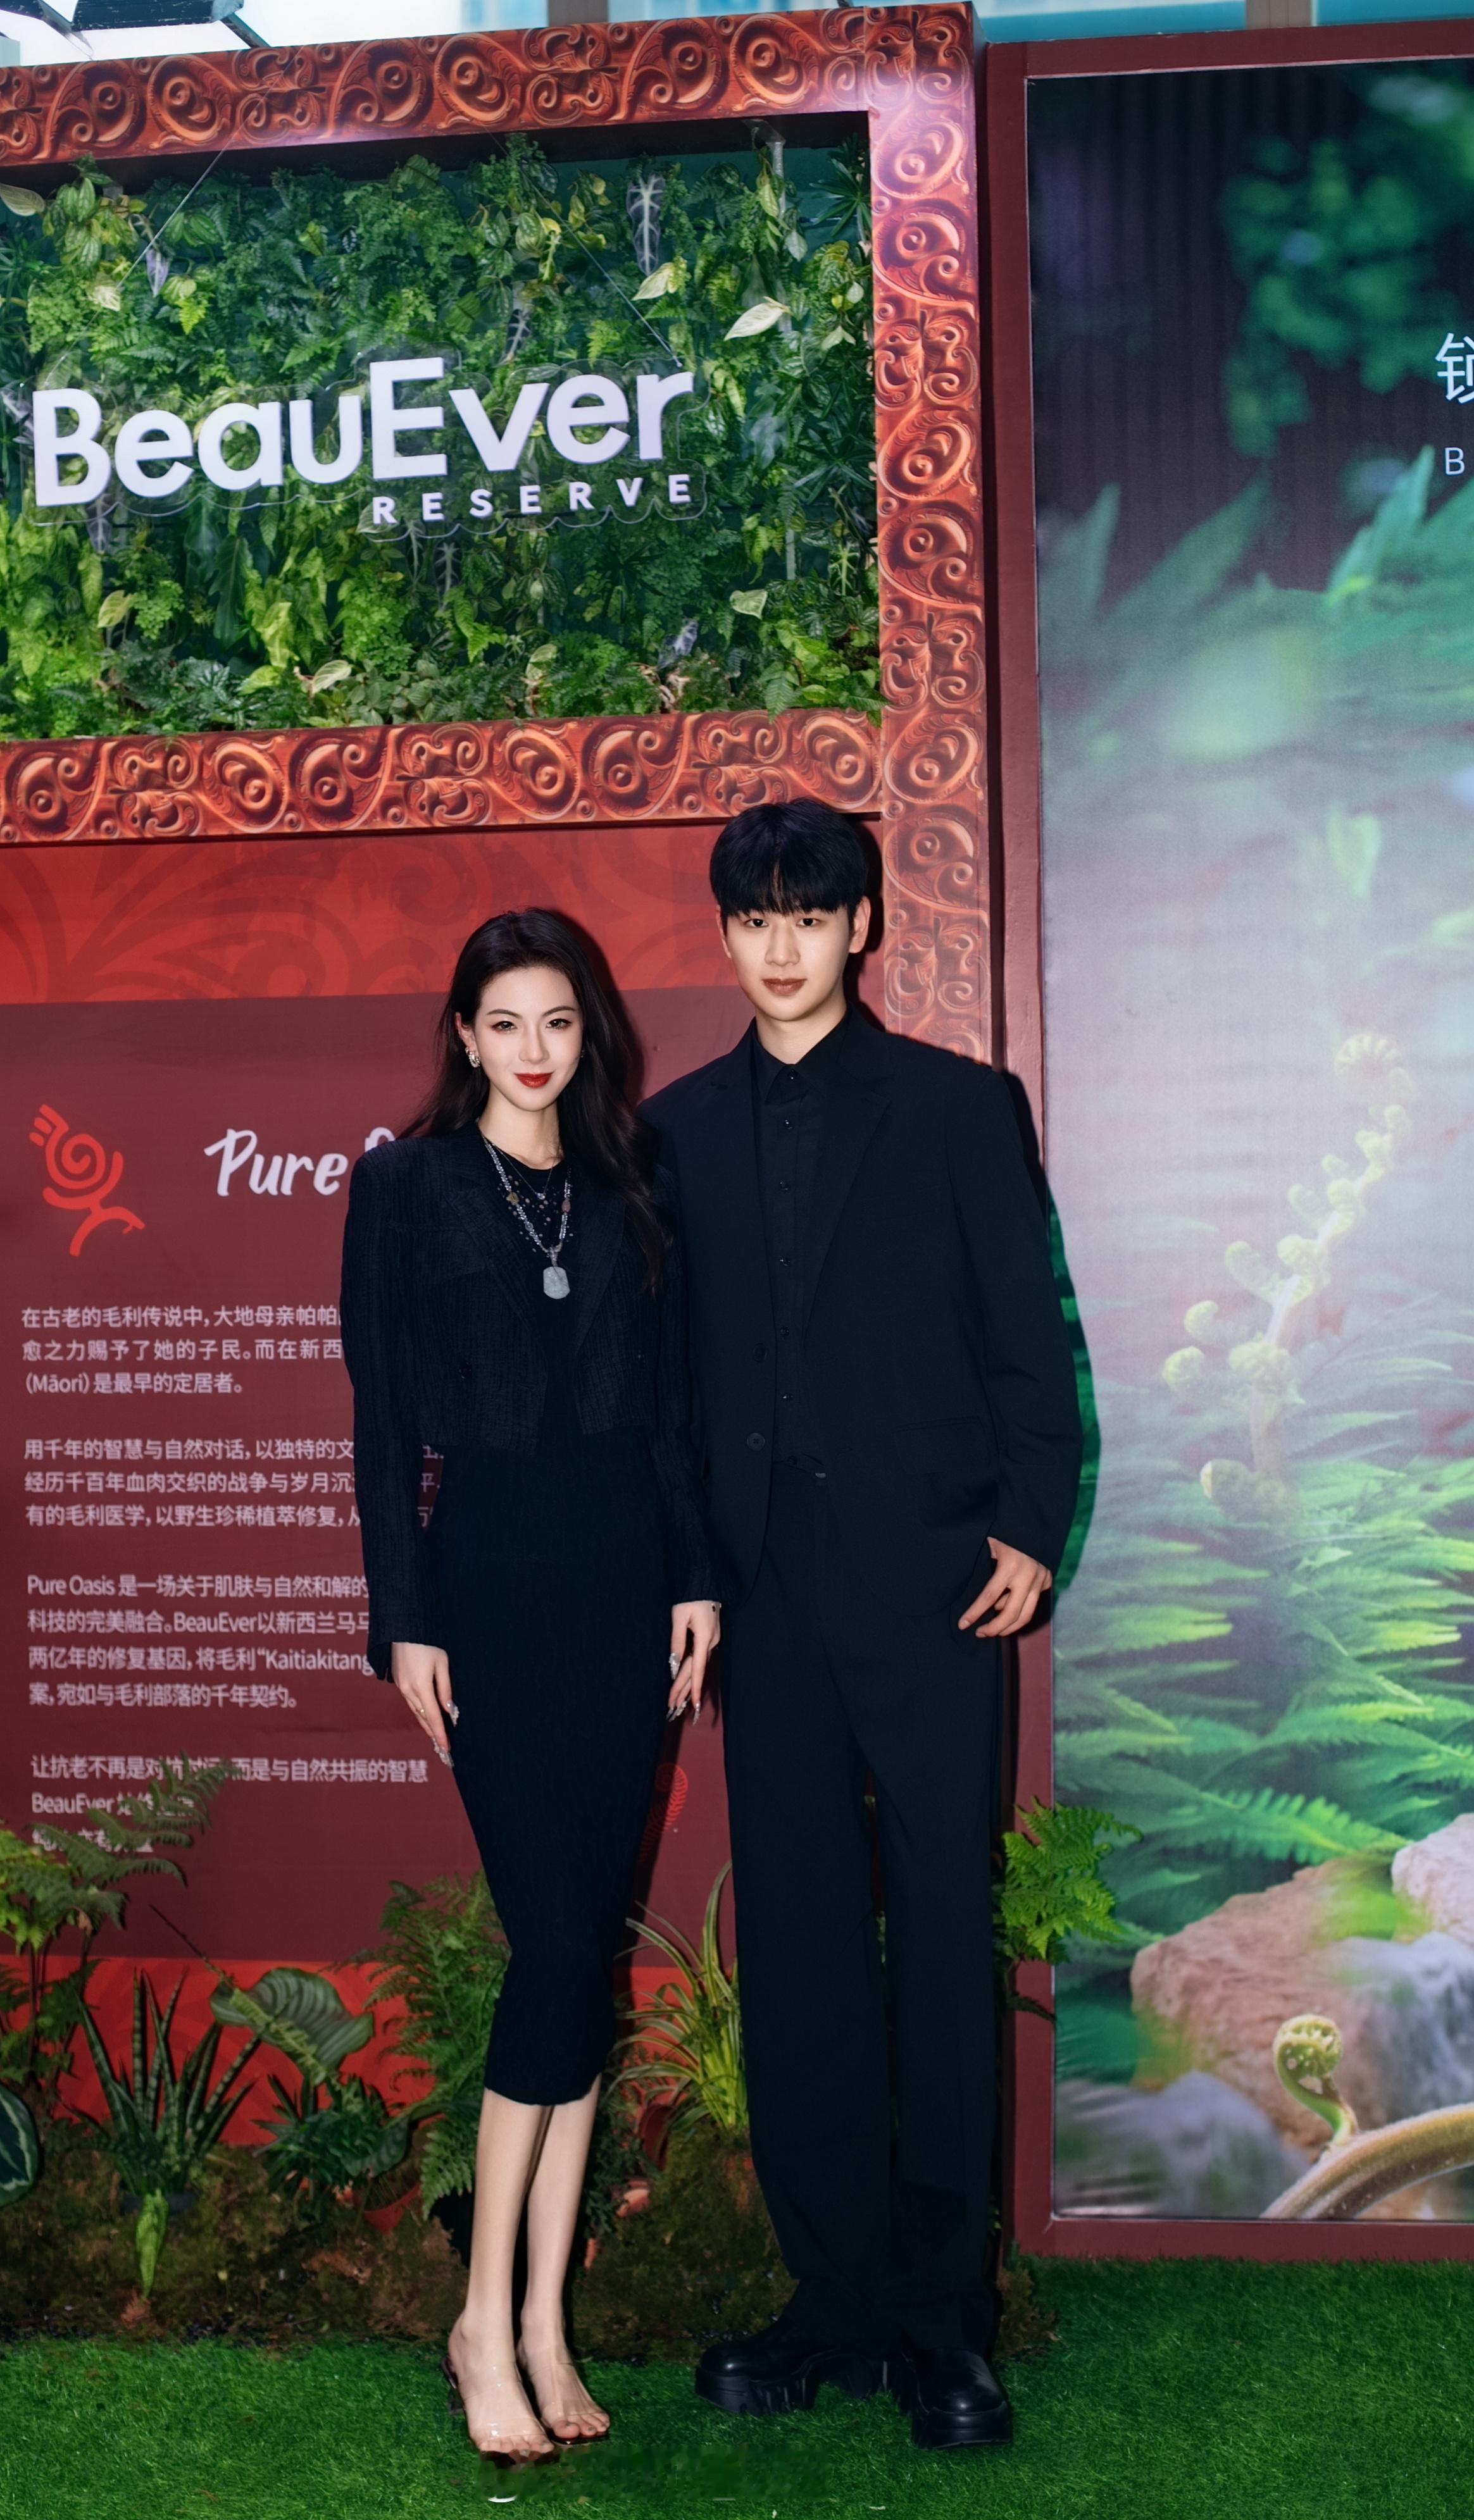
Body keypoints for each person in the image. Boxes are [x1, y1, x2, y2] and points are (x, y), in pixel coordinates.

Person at [642, 802, 1081, 2455]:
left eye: (809, 916)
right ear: (724, 934)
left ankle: (944, 2322)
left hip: (932, 1585)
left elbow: (1027, 1335)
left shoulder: (960, 1109)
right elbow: (666, 1390)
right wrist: (687, 1570)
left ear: (863, 928)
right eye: (754, 918)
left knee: (943, 1941)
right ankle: (826, 2303)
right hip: (762, 1598)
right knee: (801, 1948)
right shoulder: (671, 1132)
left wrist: (1029, 1520)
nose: (781, 946)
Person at [340, 908, 719, 2463]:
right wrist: (402, 1621)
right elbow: (378, 1425)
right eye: (503, 1022)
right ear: (463, 1034)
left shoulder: (635, 1183)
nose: (533, 1049)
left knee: (577, 1963)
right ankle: (478, 2319)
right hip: (486, 1588)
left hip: (624, 1584)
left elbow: (673, 1410)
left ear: (588, 1030)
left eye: (556, 1020)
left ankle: (546, 2324)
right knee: (557, 1946)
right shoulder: (405, 1187)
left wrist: (695, 1579)